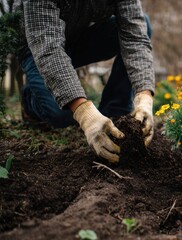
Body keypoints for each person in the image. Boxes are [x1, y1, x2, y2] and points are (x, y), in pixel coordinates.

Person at [18, 0, 155, 163]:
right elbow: (47, 48)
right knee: (61, 115)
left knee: (143, 24)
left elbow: (135, 38)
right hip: (37, 45)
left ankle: (115, 113)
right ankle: (30, 102)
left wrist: (144, 97)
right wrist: (84, 113)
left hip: (78, 36)